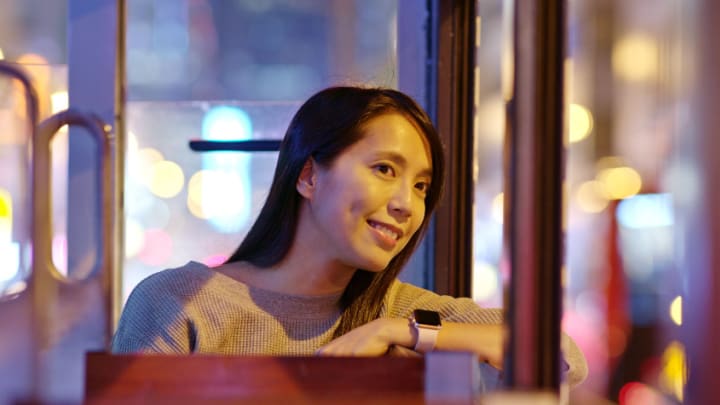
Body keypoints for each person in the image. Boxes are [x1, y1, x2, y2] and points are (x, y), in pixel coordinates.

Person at [111, 86, 587, 387]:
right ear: (308, 176)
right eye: (384, 169)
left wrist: (398, 331)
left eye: (421, 186)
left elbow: (562, 357)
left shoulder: (407, 315)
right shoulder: (178, 303)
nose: (407, 203)